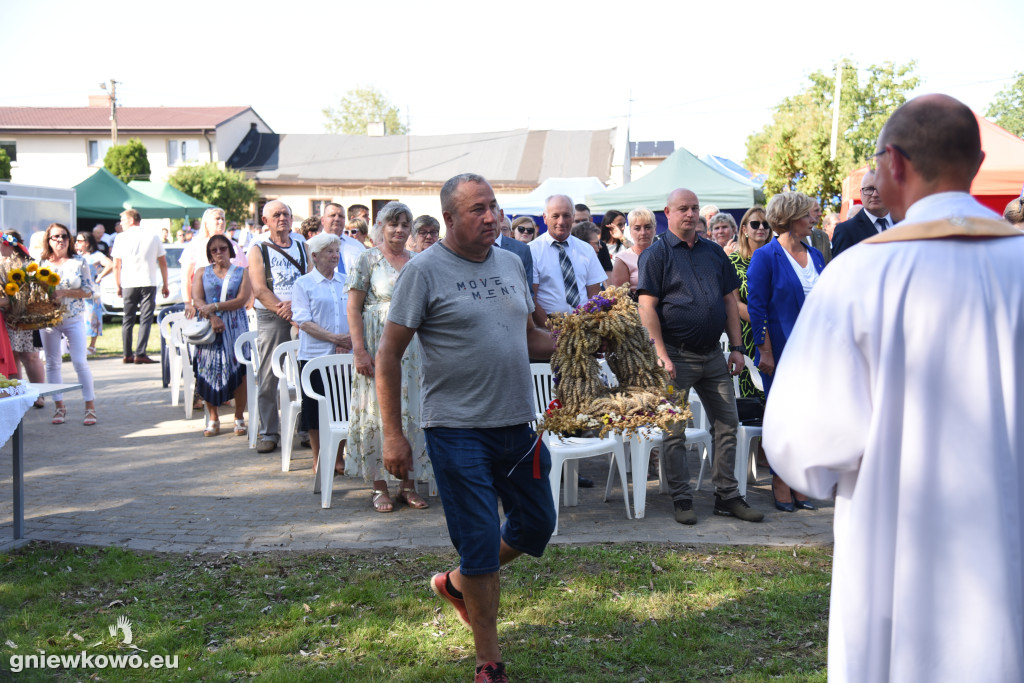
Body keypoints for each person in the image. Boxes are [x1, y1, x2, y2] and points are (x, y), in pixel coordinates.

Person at [766, 94, 1024, 683]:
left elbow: (804, 444)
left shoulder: (858, 276)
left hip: (894, 547)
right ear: (978, 162)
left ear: (896, 164)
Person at [377, 173, 556, 683]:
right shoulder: (424, 272)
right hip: (457, 430)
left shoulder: (510, 263)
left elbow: (529, 339)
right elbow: (389, 354)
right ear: (449, 219)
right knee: (479, 543)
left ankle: (457, 583)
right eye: (477, 209)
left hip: (518, 425)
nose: (491, 217)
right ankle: (489, 662)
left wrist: (578, 343)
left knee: (537, 524)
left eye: (494, 207)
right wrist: (394, 433)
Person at [637, 188, 763, 525]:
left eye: (694, 208)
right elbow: (646, 306)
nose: (690, 214)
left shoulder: (714, 252)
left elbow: (728, 302)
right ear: (668, 212)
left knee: (727, 426)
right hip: (675, 356)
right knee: (674, 432)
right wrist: (660, 353)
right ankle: (681, 498)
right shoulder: (656, 254)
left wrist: (736, 348)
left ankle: (727, 496)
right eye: (683, 209)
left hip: (713, 356)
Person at [345, 201, 430, 512]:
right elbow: (353, 308)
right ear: (380, 227)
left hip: (414, 351)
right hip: (377, 347)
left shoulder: (418, 261)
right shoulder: (366, 260)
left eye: (405, 224)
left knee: (413, 413)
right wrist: (359, 351)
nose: (399, 229)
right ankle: (379, 486)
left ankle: (408, 484)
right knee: (377, 414)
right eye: (393, 223)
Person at [745, 192, 824, 511]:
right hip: (780, 351)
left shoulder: (816, 255)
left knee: (809, 419)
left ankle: (800, 480)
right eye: (807, 214)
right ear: (791, 218)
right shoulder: (767, 256)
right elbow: (757, 306)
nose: (813, 218)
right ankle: (780, 479)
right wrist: (764, 349)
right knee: (784, 419)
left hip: (814, 353)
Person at [248, 200, 310, 454]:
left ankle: (307, 428)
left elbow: (310, 280)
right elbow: (260, 289)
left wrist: (297, 310)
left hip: (301, 316)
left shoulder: (302, 246)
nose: (282, 218)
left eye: (286, 214)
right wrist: (285, 310)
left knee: (307, 370)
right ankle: (269, 432)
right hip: (272, 316)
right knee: (268, 374)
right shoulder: (258, 248)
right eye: (276, 215)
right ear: (266, 221)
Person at [290, 231, 352, 475]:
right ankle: (318, 457)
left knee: (344, 407)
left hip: (344, 356)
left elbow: (354, 315)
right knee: (315, 409)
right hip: (315, 356)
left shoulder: (346, 281)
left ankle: (338, 458)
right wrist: (334, 338)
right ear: (315, 256)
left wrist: (346, 341)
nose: (334, 255)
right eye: (329, 251)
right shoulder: (303, 284)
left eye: (336, 251)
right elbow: (303, 321)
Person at [188, 234, 251, 437]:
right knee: (207, 371)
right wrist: (213, 316)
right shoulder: (201, 272)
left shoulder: (242, 273)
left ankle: (239, 416)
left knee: (239, 372)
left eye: (222, 248)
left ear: (230, 251)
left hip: (235, 326)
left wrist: (214, 306)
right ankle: (213, 417)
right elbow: (197, 298)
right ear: (209, 254)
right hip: (209, 327)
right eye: (213, 250)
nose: (218, 253)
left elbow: (242, 299)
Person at [39, 223, 97, 426]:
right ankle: (59, 407)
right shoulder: (41, 262)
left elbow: (89, 291)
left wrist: (63, 292)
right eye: (55, 237)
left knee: (80, 362)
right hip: (48, 320)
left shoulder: (79, 261)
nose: (61, 240)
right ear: (49, 240)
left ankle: (89, 407)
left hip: (73, 318)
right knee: (53, 363)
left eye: (64, 236)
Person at [529, 194, 605, 327]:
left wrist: (588, 325)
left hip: (583, 325)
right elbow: (532, 298)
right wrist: (553, 332)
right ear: (545, 218)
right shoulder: (532, 251)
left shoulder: (586, 250)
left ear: (573, 217)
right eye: (555, 216)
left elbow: (594, 293)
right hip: (548, 327)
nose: (561, 221)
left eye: (566, 215)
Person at [112, 208, 168, 365]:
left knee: (128, 318)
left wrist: (118, 284)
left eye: (123, 220)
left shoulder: (121, 238)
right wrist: (165, 283)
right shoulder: (153, 236)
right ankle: (140, 352)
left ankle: (127, 354)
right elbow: (162, 262)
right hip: (148, 281)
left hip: (129, 282)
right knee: (145, 318)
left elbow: (116, 264)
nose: (121, 224)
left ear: (131, 220)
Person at [728, 206, 772, 399]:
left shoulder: (777, 258)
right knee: (751, 394)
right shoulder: (733, 261)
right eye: (755, 224)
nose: (761, 228)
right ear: (744, 229)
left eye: (766, 224)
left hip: (777, 331)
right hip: (748, 332)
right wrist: (762, 323)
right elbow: (734, 304)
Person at [1, 231, 47, 404]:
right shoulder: (3, 263)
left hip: (25, 317)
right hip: (6, 318)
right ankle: (18, 393)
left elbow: (27, 294)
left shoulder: (26, 264)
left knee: (30, 356)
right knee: (13, 358)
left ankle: (39, 395)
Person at [182, 208, 247, 317]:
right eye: (217, 218)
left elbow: (247, 272)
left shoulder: (234, 246)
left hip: (234, 308)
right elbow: (186, 277)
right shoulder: (194, 246)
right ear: (206, 224)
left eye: (223, 219)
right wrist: (188, 303)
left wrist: (250, 297)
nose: (221, 222)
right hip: (203, 306)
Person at [831, 170, 896, 256]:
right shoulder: (846, 230)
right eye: (869, 189)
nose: (875, 194)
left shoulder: (904, 224)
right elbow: (841, 268)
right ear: (861, 193)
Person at [74, 232, 112, 354]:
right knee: (78, 317)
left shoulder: (96, 255)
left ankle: (92, 346)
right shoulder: (75, 256)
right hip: (77, 291)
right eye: (76, 241)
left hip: (92, 292)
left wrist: (100, 275)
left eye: (80, 241)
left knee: (92, 316)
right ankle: (78, 344)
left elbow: (110, 264)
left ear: (87, 243)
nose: (77, 243)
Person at [609, 207, 656, 295]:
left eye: (648, 227)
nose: (643, 232)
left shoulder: (665, 254)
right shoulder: (623, 259)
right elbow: (620, 299)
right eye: (637, 228)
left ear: (655, 229)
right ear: (630, 231)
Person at [320, 202, 366, 275]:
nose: (337, 219)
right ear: (322, 220)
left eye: (341, 216)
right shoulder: (310, 246)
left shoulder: (357, 247)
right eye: (332, 215)